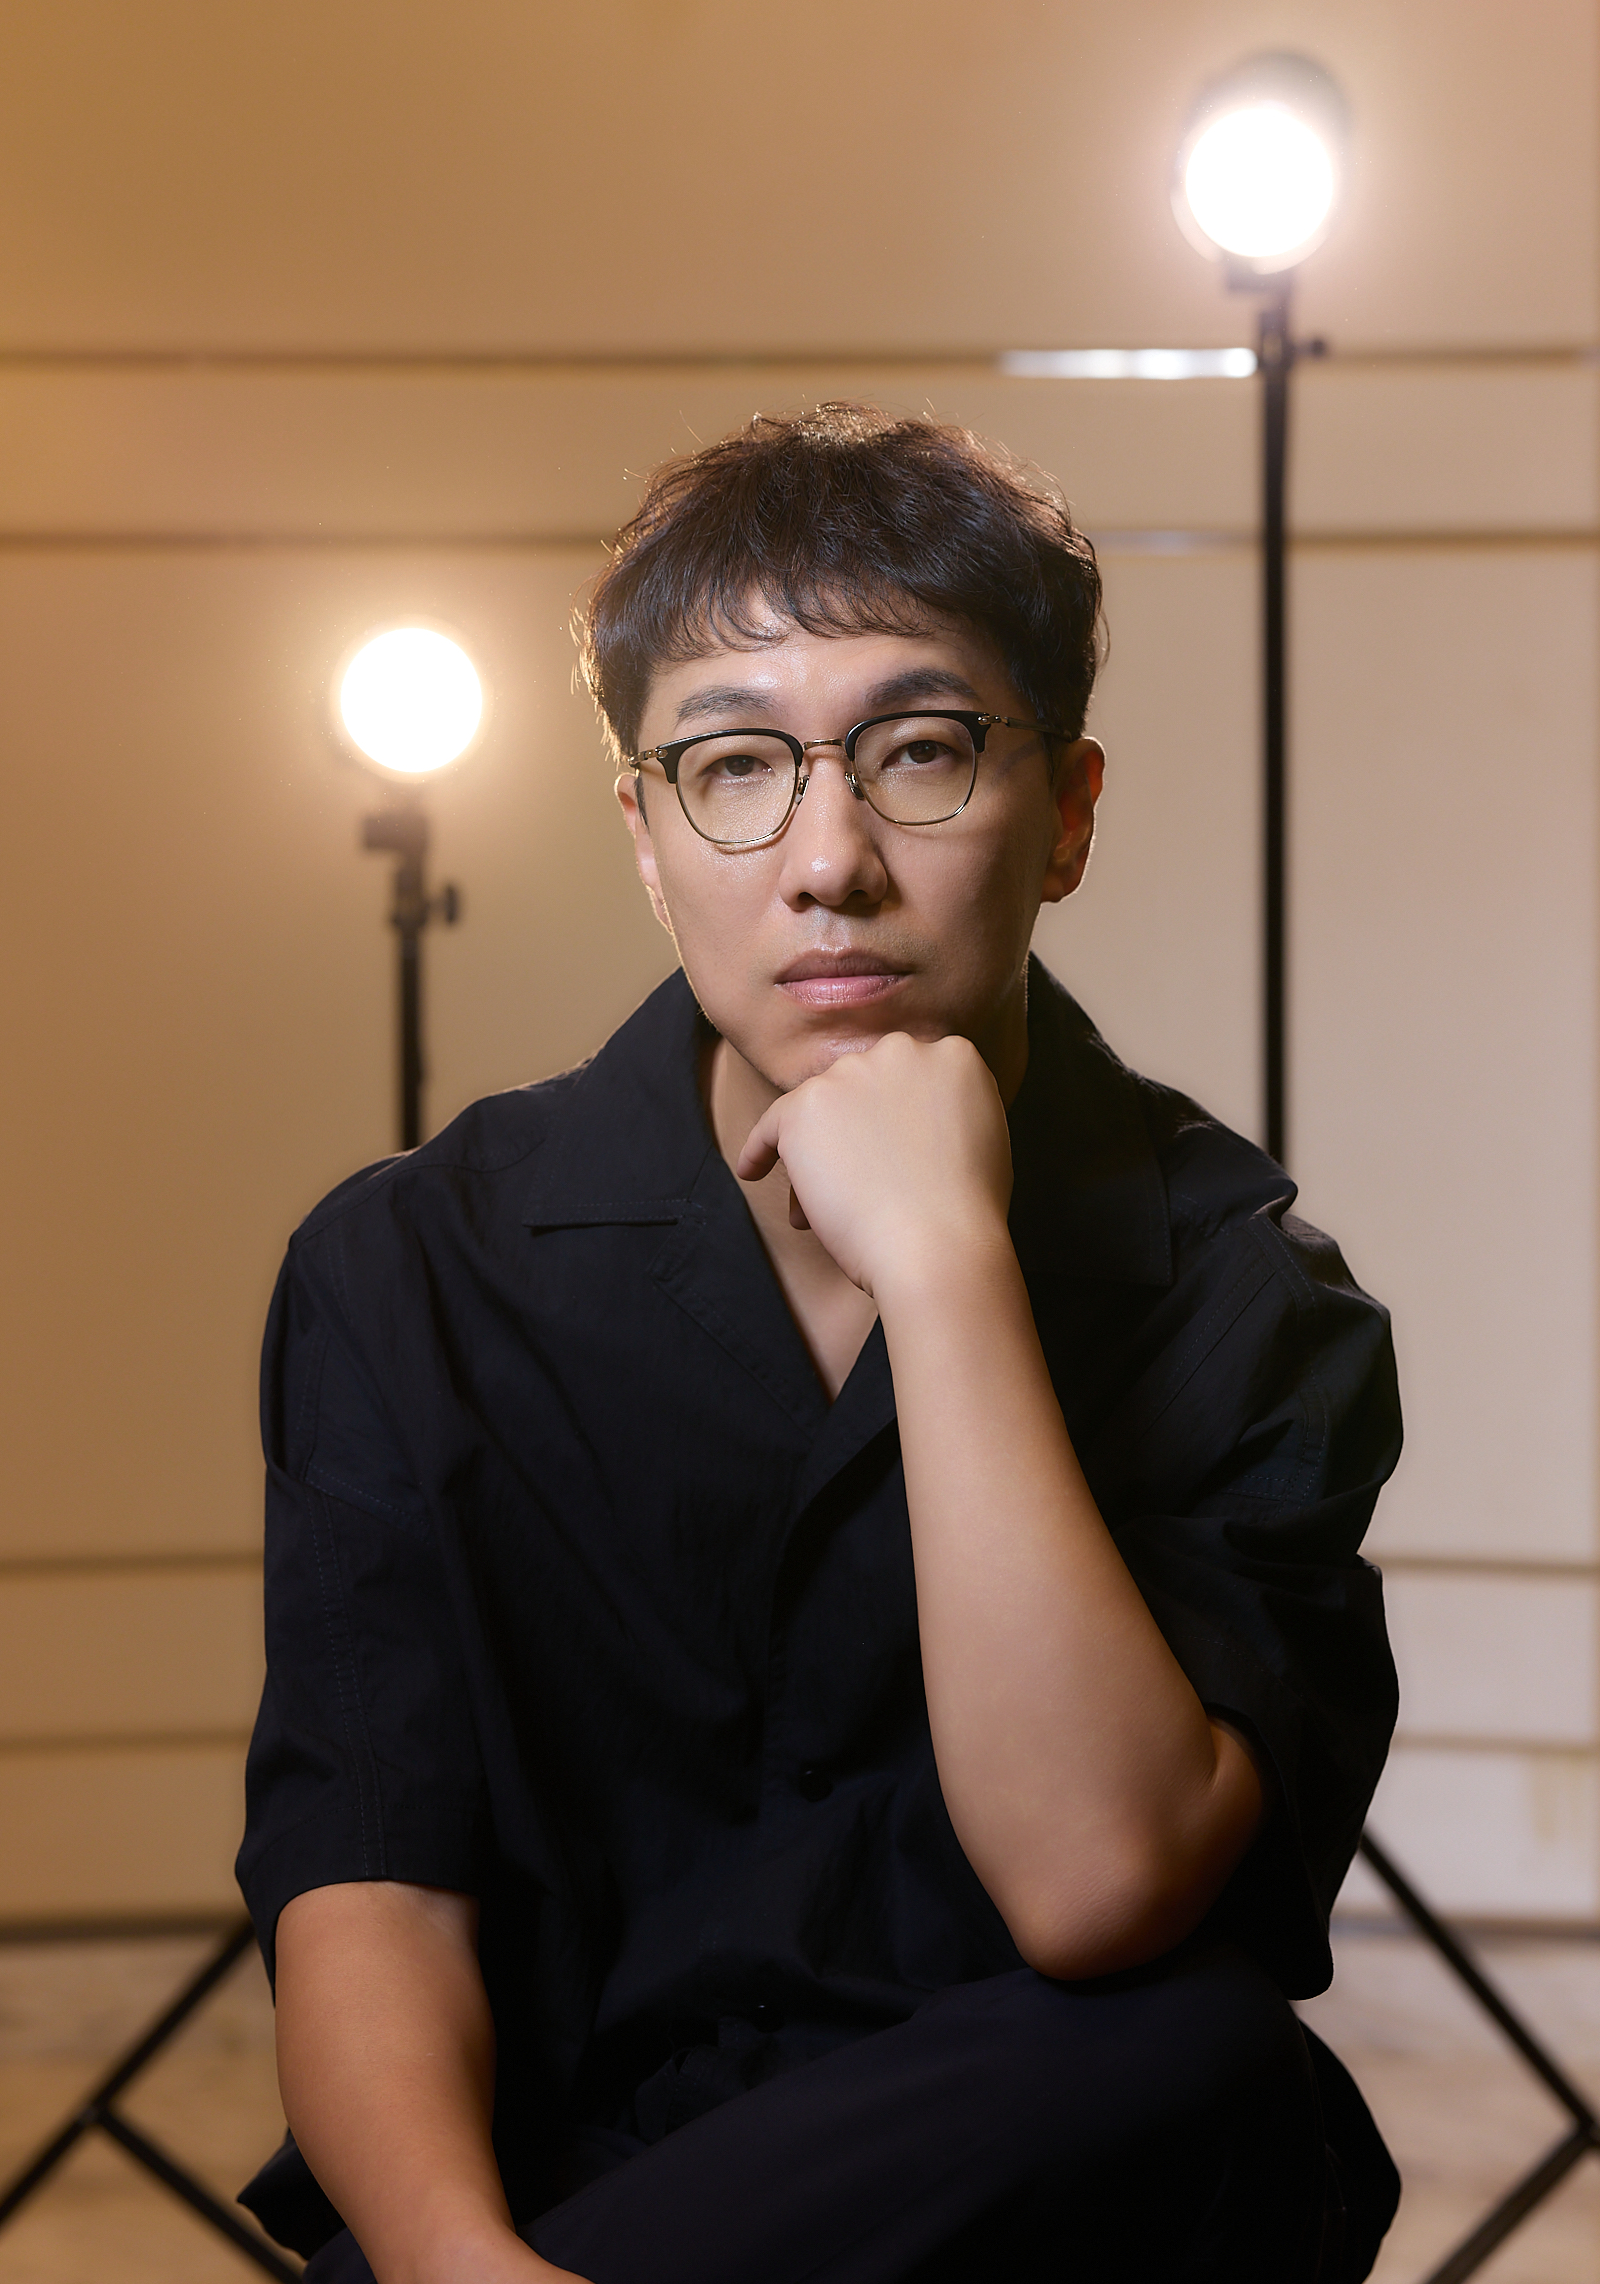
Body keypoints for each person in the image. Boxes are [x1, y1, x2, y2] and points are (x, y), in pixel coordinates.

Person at [237, 404, 1402, 2284]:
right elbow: (373, 1880)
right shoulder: (410, 1270)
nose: (828, 860)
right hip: (563, 2217)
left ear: (1069, 812)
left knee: (1201, 2063)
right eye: (735, 767)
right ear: (645, 836)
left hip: (1023, 2207)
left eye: (920, 752)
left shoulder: (1244, 1300)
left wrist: (947, 1268)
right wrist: (467, 2270)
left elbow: (1098, 1885)